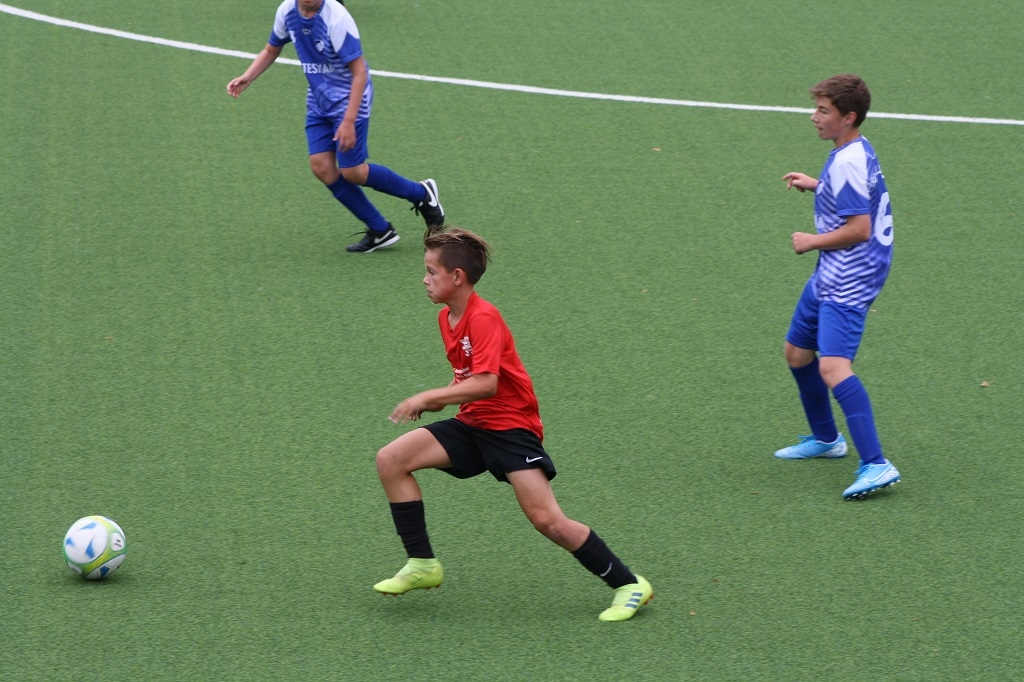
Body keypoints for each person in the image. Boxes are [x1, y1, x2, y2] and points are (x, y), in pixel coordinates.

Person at [373, 226, 653, 622]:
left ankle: (629, 584)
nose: (425, 279)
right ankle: (422, 563)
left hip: (510, 430)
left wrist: (428, 396)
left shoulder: (484, 317)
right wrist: (441, 400)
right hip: (473, 423)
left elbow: (487, 383)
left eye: (432, 271)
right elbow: (467, 377)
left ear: (457, 277)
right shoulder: (446, 318)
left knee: (547, 520)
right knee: (391, 460)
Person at [227, 0, 443, 253]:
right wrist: (248, 76)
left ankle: (421, 193)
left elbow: (359, 72)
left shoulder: (336, 18)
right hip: (319, 99)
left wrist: (349, 121)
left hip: (351, 100)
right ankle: (379, 229)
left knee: (353, 172)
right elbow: (271, 49)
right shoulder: (286, 11)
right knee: (322, 166)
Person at [776, 74, 900, 500]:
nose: (814, 117)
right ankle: (827, 439)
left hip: (850, 275)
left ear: (848, 117)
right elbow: (857, 198)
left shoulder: (847, 162)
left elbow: (860, 228)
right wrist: (818, 185)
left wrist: (811, 241)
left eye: (823, 110)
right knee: (797, 353)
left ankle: (876, 464)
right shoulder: (854, 150)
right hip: (834, 270)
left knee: (833, 368)